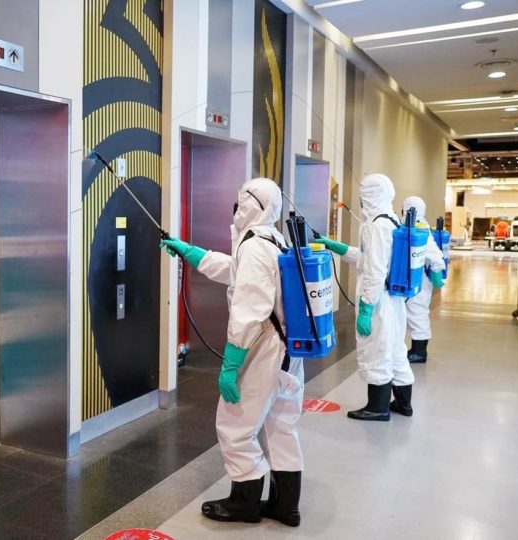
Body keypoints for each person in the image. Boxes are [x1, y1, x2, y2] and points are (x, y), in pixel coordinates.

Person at [161, 178, 303, 527]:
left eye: (240, 201)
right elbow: (237, 271)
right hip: (288, 346)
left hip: (263, 345)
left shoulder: (255, 245)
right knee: (281, 425)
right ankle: (286, 505)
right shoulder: (272, 237)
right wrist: (191, 252)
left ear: (251, 205)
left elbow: (248, 311)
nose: (235, 208)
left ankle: (245, 503)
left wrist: (231, 363)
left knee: (235, 424)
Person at [317, 174, 414, 420]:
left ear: (370, 194)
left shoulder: (376, 226)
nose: (360, 198)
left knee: (377, 350)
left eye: (363, 192)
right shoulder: (391, 220)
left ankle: (377, 408)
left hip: (379, 300)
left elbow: (374, 271)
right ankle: (403, 404)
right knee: (394, 349)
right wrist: (337, 247)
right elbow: (368, 259)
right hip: (393, 298)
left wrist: (366, 308)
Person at [401, 196, 446, 364]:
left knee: (417, 314)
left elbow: (435, 256)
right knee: (412, 315)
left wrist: (436, 276)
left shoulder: (420, 230)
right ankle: (415, 349)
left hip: (419, 283)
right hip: (411, 282)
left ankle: (420, 352)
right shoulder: (410, 227)